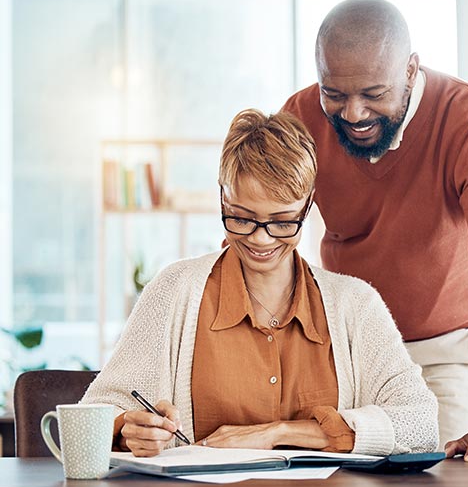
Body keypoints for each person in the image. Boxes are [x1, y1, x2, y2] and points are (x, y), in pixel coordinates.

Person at [81, 109, 438, 457]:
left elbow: (421, 424)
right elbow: (97, 411)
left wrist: (278, 433)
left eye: (283, 222)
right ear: (222, 197)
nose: (261, 240)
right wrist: (129, 428)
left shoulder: (356, 305)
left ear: (308, 205)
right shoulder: (175, 291)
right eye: (242, 218)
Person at [282, 0, 468, 462]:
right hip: (342, 355)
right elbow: (261, 233)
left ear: (410, 69)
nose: (353, 114)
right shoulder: (301, 117)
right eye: (335, 94)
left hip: (444, 354)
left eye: (373, 93)